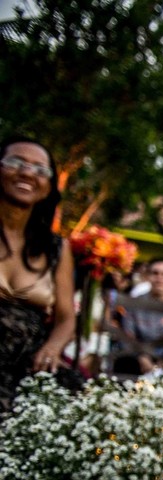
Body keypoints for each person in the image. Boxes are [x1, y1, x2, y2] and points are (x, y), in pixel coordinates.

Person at [0, 136, 75, 414]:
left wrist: (52, 348)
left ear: (48, 187)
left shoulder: (56, 247)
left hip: (29, 364)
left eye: (40, 170)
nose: (28, 173)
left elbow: (66, 318)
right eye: (15, 162)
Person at [112, 257, 163, 375]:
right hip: (134, 360)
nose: (160, 278)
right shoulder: (135, 303)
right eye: (155, 273)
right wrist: (142, 358)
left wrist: (161, 363)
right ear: (148, 276)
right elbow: (127, 335)